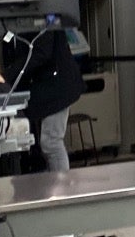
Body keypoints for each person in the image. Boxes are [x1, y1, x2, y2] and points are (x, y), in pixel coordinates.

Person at [9, 23, 85, 174]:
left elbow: (42, 53)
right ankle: (54, 186)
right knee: (46, 145)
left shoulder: (43, 17)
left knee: (51, 142)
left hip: (57, 85)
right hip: (46, 86)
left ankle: (63, 192)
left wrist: (7, 75)